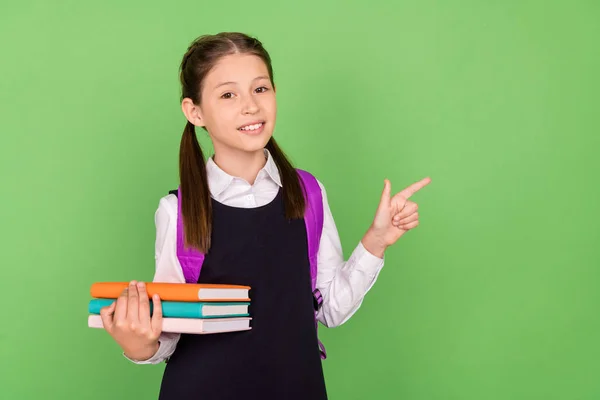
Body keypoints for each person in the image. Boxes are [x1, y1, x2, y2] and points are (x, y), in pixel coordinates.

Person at [98, 32, 431, 399]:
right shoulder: (177, 211)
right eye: (228, 94)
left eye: (261, 89)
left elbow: (330, 309)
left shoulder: (308, 194)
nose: (251, 106)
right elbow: (169, 333)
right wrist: (137, 344)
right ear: (195, 112)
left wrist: (376, 240)